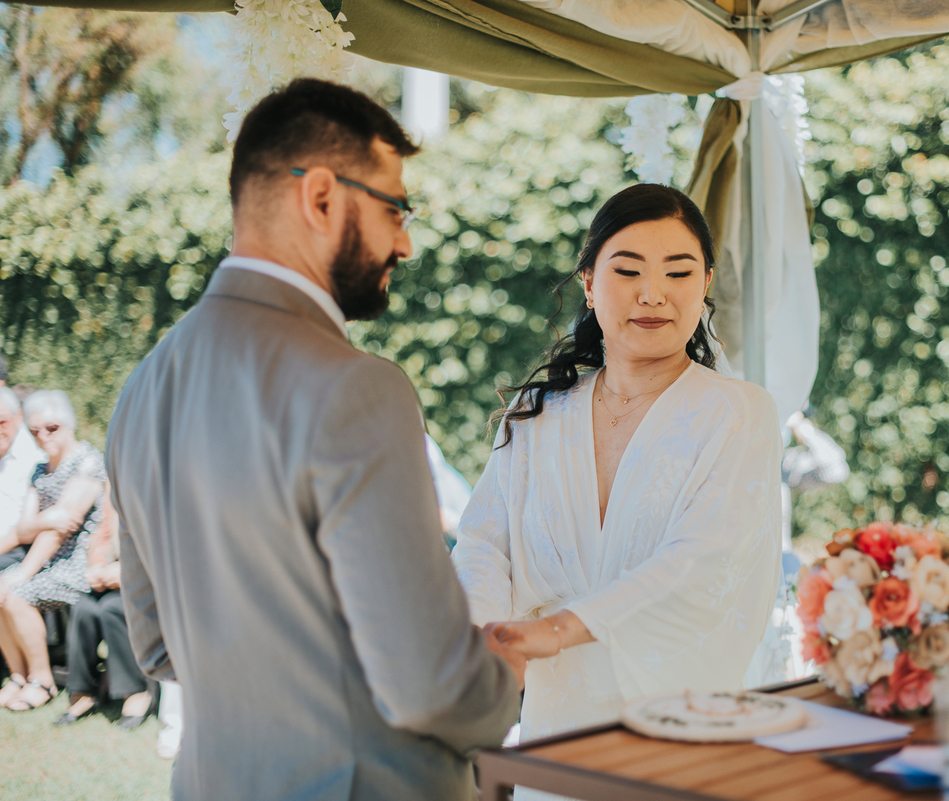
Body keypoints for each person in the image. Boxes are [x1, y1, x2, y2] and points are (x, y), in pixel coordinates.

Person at [104, 79, 522, 801]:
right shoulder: (357, 388)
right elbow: (427, 685)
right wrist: (502, 689)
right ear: (322, 197)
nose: (406, 240)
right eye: (395, 207)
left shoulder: (139, 392)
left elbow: (157, 645)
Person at [452, 184, 782, 745]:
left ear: (704, 285)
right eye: (628, 272)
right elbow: (485, 546)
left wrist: (556, 632)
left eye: (678, 273)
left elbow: (702, 565)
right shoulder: (536, 416)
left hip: (675, 734)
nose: (652, 295)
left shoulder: (737, 413)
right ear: (588, 283)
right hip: (553, 736)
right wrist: (488, 641)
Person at [0, 389, 106, 711]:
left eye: (51, 428)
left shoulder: (87, 462)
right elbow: (27, 525)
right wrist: (47, 518)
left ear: (69, 424)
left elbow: (57, 534)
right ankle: (18, 676)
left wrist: (21, 574)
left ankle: (42, 680)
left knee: (16, 595)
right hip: (47, 561)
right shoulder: (40, 468)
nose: (43, 436)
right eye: (35, 431)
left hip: (77, 562)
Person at [55, 491, 154, 728]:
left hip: (148, 580)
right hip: (115, 574)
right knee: (84, 608)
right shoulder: (115, 481)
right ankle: (82, 689)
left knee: (113, 609)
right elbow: (105, 534)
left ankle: (136, 690)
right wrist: (99, 565)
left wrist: (128, 572)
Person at [0, 386, 44, 574]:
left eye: (1, 422)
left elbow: (19, 528)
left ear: (18, 417)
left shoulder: (33, 458)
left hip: (15, 549)